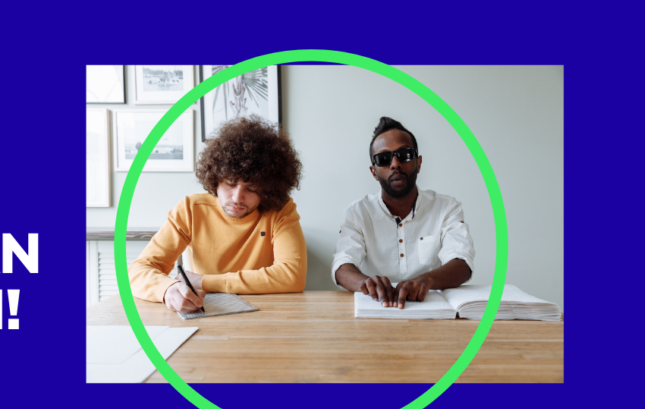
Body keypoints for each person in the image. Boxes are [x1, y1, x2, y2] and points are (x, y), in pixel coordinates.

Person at [129, 116, 307, 312]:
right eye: (230, 183)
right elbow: (137, 271)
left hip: (264, 313)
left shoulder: (281, 210)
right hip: (205, 309)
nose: (237, 197)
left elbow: (292, 276)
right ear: (215, 178)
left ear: (268, 189)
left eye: (252, 188)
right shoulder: (190, 209)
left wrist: (204, 282)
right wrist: (167, 289)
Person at [332, 116, 475, 309]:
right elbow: (342, 265)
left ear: (418, 162)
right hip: (377, 310)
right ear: (374, 172)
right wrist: (365, 283)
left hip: (433, 314)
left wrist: (427, 280)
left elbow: (462, 262)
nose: (395, 164)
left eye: (405, 154)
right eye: (384, 159)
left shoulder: (447, 208)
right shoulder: (358, 213)